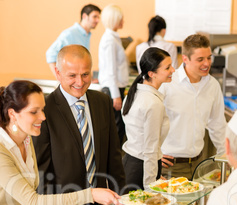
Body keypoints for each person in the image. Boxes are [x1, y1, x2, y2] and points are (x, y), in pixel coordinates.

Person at [0, 80, 121, 205]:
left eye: (42, 109)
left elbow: (22, 204)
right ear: (13, 114)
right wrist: (91, 194)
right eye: (34, 112)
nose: (43, 117)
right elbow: (32, 202)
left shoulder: (26, 140)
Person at [33, 45, 125, 205]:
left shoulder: (102, 102)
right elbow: (41, 175)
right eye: (72, 75)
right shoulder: (44, 111)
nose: (79, 81)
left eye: (85, 74)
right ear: (58, 73)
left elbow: (114, 159)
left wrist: (123, 202)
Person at [160, 34, 226, 180]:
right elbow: (139, 116)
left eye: (209, 57)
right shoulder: (167, 83)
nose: (207, 63)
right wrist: (153, 155)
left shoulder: (213, 85)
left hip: (200, 164)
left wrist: (226, 158)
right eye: (200, 59)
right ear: (185, 59)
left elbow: (218, 125)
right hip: (170, 166)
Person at [122, 47, 175, 190]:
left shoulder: (134, 94)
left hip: (131, 164)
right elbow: (150, 149)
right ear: (152, 74)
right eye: (167, 67)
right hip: (142, 169)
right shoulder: (153, 103)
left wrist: (157, 176)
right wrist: (151, 185)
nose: (173, 70)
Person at [98, 4, 129, 147]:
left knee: (118, 130)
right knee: (116, 131)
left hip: (115, 89)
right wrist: (116, 95)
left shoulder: (114, 38)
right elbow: (110, 70)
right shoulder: (109, 40)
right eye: (121, 18)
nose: (123, 20)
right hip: (112, 90)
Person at [46, 4, 101, 77]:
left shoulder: (87, 35)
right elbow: (50, 53)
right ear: (84, 16)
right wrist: (60, 78)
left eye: (98, 17)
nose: (98, 20)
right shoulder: (70, 33)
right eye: (94, 17)